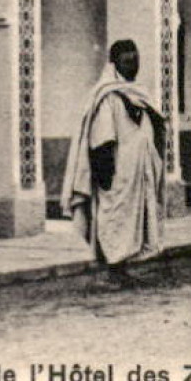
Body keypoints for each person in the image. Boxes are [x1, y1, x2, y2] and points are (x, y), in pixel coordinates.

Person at [61, 39, 167, 285]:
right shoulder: (107, 97)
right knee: (114, 220)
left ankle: (122, 267)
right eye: (127, 61)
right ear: (115, 64)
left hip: (137, 174)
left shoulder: (138, 92)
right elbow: (102, 140)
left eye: (135, 60)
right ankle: (113, 269)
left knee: (133, 221)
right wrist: (106, 177)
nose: (133, 65)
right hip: (117, 175)